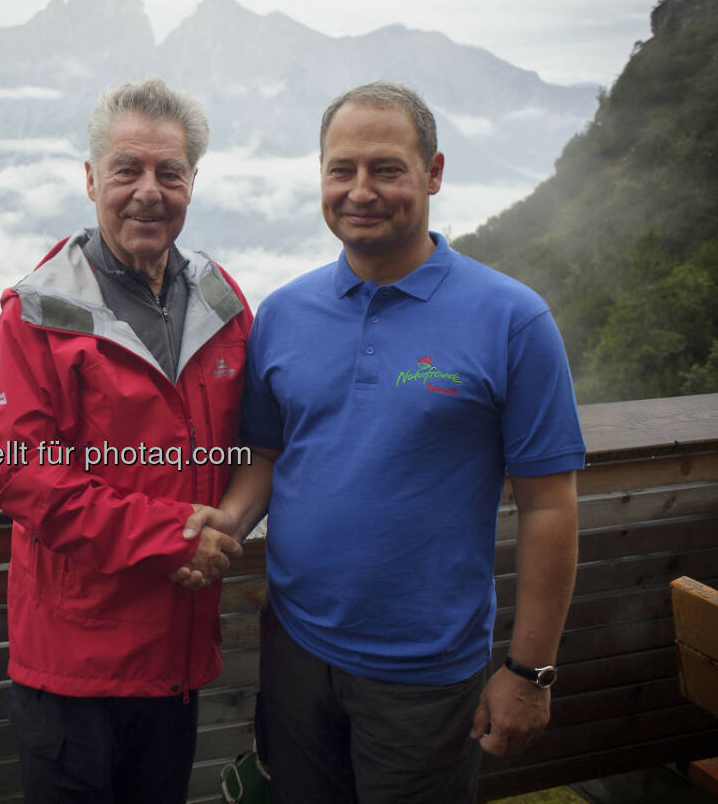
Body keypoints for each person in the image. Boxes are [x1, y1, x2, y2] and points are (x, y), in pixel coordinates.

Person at [194, 80, 586, 803]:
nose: (360, 190)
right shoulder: (283, 314)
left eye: (387, 168)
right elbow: (267, 458)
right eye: (341, 169)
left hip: (426, 672)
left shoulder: (513, 320)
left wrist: (531, 673)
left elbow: (550, 506)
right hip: (295, 647)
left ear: (433, 173)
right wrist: (228, 523)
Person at [0, 76, 254, 804]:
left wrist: (221, 533)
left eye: (170, 172)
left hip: (177, 662)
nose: (148, 191)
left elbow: (255, 441)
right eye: (127, 169)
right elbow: (17, 472)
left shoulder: (222, 303)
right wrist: (172, 540)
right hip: (74, 674)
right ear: (92, 177)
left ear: (193, 181)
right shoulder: (36, 314)